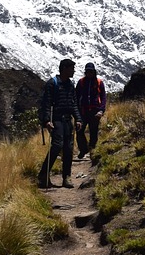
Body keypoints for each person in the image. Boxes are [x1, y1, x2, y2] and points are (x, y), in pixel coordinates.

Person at [38, 58, 82, 188]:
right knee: (57, 145)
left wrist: (78, 119)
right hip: (56, 119)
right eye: (71, 68)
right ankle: (43, 175)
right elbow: (46, 104)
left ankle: (66, 177)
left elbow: (74, 104)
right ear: (64, 69)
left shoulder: (70, 85)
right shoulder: (52, 84)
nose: (73, 71)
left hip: (68, 120)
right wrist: (46, 121)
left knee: (68, 148)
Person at [76, 61, 107, 159]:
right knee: (79, 130)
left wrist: (101, 110)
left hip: (95, 111)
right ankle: (84, 149)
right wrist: (76, 111)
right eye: (88, 71)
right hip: (83, 111)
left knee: (93, 131)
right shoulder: (81, 82)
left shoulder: (99, 82)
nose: (89, 73)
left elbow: (103, 97)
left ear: (94, 72)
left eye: (91, 71)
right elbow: (76, 96)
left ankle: (92, 149)